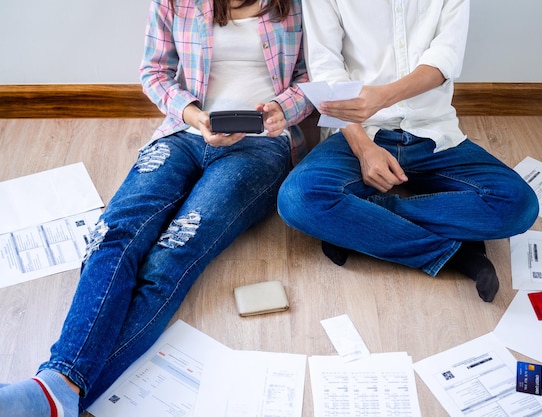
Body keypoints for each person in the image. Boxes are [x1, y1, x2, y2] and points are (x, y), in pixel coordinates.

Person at [0, 0, 312, 416]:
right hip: (184, 132)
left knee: (173, 253)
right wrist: (195, 115)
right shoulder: (175, 2)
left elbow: (313, 78)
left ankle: (54, 392)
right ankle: (59, 388)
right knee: (113, 233)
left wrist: (282, 109)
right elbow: (154, 72)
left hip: (261, 147)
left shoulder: (298, 6)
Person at [277, 0, 539, 303]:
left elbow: (446, 58)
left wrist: (384, 97)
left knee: (518, 205)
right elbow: (326, 71)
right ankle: (457, 255)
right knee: (298, 199)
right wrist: (364, 150)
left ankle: (358, 222)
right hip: (362, 133)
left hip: (435, 134)